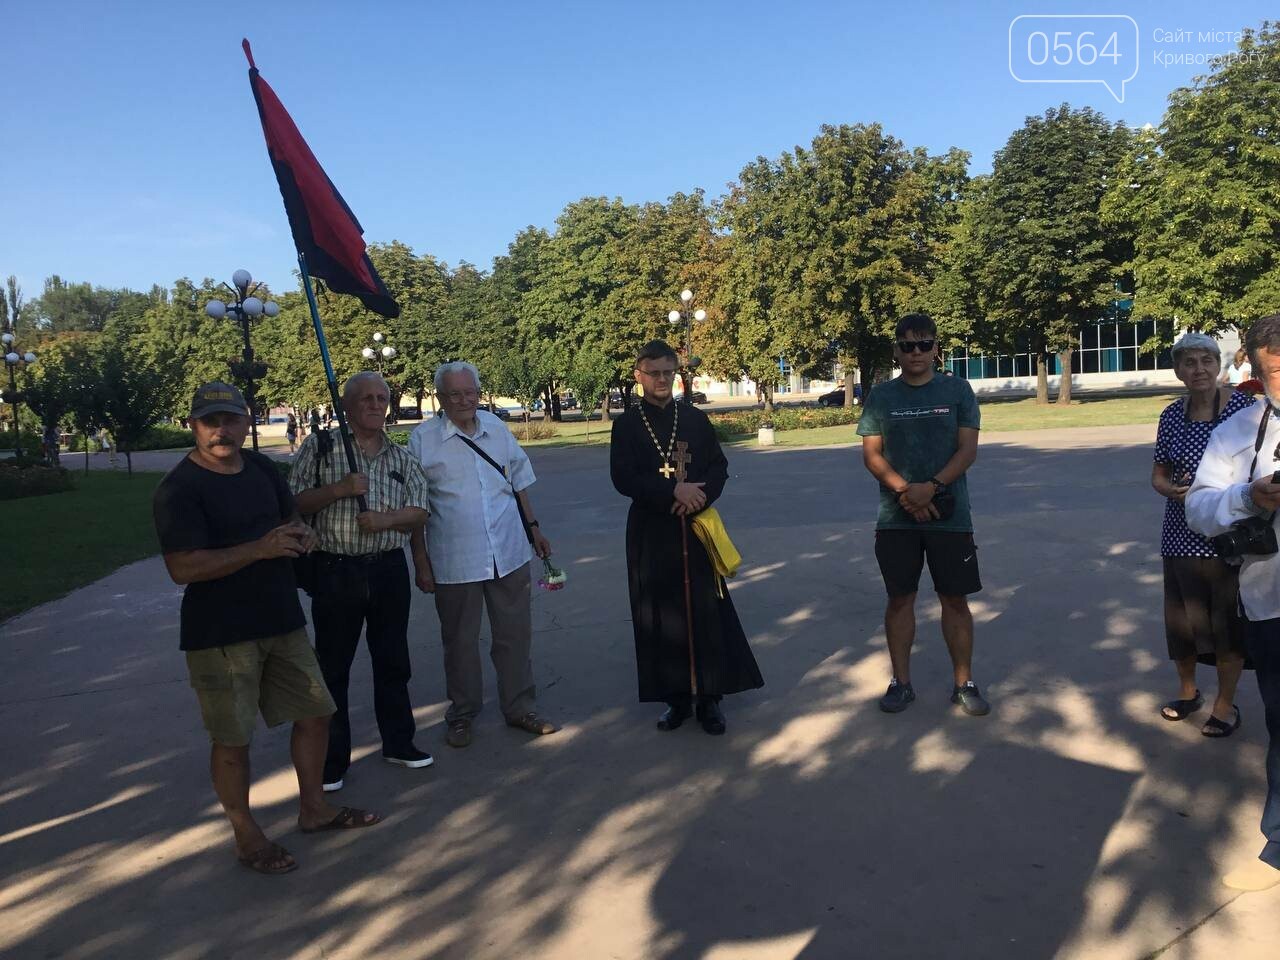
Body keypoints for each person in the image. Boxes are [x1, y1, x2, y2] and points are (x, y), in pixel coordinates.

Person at [152, 381, 379, 876]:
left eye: (231, 419)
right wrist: (260, 548)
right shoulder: (179, 490)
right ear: (193, 425)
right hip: (221, 635)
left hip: (282, 619)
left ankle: (314, 808)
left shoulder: (259, 469)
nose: (221, 430)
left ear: (246, 421)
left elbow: (290, 516)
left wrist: (302, 533)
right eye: (210, 421)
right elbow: (183, 568)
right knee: (233, 739)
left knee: (317, 712)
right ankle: (246, 834)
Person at [610, 340, 764, 734]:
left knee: (704, 612)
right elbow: (623, 477)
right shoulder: (626, 424)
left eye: (668, 372)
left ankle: (710, 699)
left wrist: (698, 496)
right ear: (638, 375)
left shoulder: (694, 419)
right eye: (654, 373)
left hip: (696, 528)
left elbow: (718, 467)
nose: (662, 380)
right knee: (660, 615)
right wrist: (671, 492)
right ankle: (675, 699)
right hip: (651, 531)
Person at [292, 372, 433, 793]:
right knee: (333, 667)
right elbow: (294, 501)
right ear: (348, 406)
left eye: (381, 398)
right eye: (366, 399)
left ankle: (399, 742)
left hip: (388, 569)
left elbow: (420, 510)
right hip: (337, 571)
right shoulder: (320, 447)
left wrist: (388, 521)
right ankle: (332, 760)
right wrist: (338, 489)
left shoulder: (401, 456)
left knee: (393, 660)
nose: (375, 405)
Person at [408, 361, 560, 748]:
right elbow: (416, 509)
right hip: (454, 559)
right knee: (459, 641)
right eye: (455, 394)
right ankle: (462, 714)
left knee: (514, 635)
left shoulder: (496, 427)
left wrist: (535, 529)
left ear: (479, 392)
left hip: (508, 551)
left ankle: (519, 707)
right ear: (440, 398)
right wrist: (421, 561)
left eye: (470, 392)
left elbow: (518, 482)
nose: (464, 400)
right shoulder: (423, 441)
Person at [1187, 313, 1280, 893]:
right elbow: (1199, 508)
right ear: (1255, 367)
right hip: (1273, 601)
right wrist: (1248, 495)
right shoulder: (1241, 429)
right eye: (1274, 368)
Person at [857, 313, 987, 716]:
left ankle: (963, 683)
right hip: (896, 518)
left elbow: (967, 450)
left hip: (950, 516)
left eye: (924, 344)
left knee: (954, 599)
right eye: (907, 345)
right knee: (900, 600)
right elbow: (872, 455)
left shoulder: (957, 389)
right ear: (896, 350)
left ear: (936, 348)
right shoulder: (881, 396)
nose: (916, 352)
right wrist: (905, 491)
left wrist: (930, 487)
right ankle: (902, 683)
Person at [1153, 333, 1253, 736]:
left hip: (1227, 535)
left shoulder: (1244, 409)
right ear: (1178, 371)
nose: (1199, 369)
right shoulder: (1171, 416)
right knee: (1181, 624)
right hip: (1178, 533)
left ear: (1219, 365)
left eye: (1206, 361)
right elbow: (1159, 472)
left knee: (1225, 625)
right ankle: (1188, 691)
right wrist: (1167, 489)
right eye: (1190, 362)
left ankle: (1225, 705)